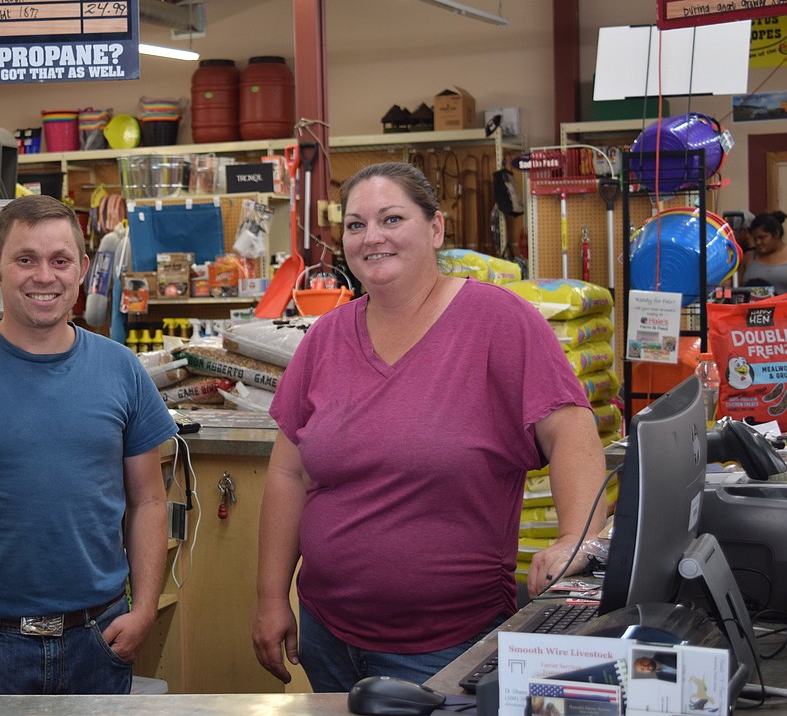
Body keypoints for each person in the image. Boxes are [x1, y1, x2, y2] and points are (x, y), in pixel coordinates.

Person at [252, 162, 608, 690]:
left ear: (435, 228)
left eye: (392, 219)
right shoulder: (326, 338)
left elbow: (571, 432)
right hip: (326, 635)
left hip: (448, 643)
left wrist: (577, 539)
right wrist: (270, 597)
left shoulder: (499, 321)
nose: (372, 237)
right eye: (355, 225)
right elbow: (288, 474)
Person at [0, 195, 176, 695]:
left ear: (82, 269)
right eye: (25, 259)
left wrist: (145, 608)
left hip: (98, 638)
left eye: (60, 260)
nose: (45, 276)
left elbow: (149, 500)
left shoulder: (122, 370)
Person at [738, 211, 787, 295]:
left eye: (762, 237)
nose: (758, 242)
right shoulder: (748, 257)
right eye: (755, 238)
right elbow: (738, 288)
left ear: (776, 233)